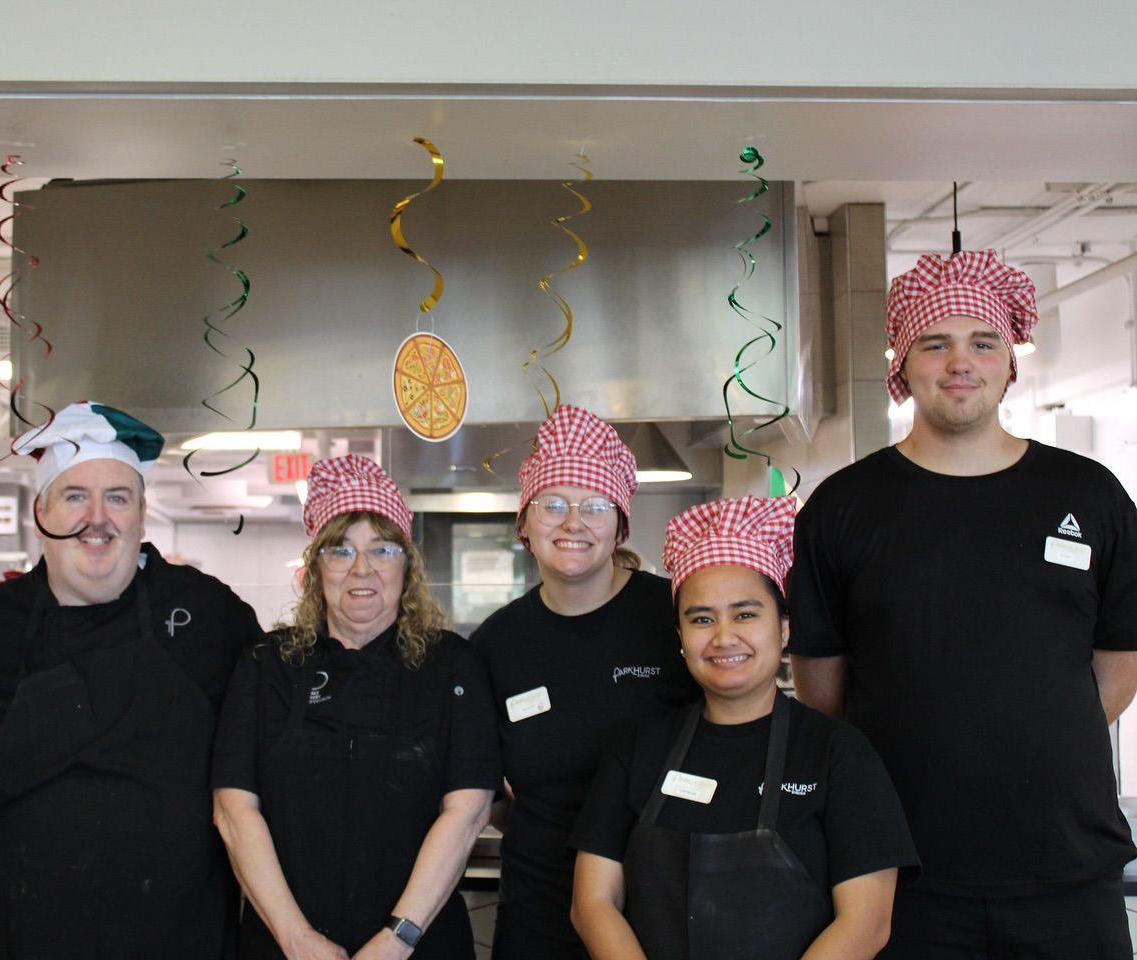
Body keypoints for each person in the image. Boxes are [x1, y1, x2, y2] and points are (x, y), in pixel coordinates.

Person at [788, 249, 1137, 959]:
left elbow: (1121, 656)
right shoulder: (843, 508)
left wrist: (1029, 729)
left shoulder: (1089, 494)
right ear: (903, 362)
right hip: (900, 874)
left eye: (983, 343)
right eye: (935, 343)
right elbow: (824, 691)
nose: (960, 363)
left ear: (1010, 361)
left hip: (1066, 869)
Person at [0, 400, 265, 960]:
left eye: (118, 497)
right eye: (75, 496)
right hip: (16, 937)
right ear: (41, 511)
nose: (98, 517)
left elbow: (266, 766)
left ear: (141, 514)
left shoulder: (212, 616)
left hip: (177, 938)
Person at [571, 495, 918, 959]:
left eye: (746, 614)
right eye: (701, 619)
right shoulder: (637, 749)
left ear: (785, 628)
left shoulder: (839, 753)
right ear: (680, 638)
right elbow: (593, 904)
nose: (723, 637)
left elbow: (866, 923)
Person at [212, 454, 501, 960]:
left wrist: (397, 940)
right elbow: (234, 810)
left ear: (406, 565)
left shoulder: (453, 665)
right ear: (314, 566)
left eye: (382, 550)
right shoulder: (267, 665)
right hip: (282, 945)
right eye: (340, 550)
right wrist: (296, 940)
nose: (361, 569)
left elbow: (468, 810)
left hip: (420, 945)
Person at [470, 405, 698, 959]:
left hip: (669, 905)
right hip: (539, 909)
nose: (573, 523)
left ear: (620, 525)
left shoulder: (676, 614)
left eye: (594, 506)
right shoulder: (496, 644)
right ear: (523, 522)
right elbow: (491, 791)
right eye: (552, 505)